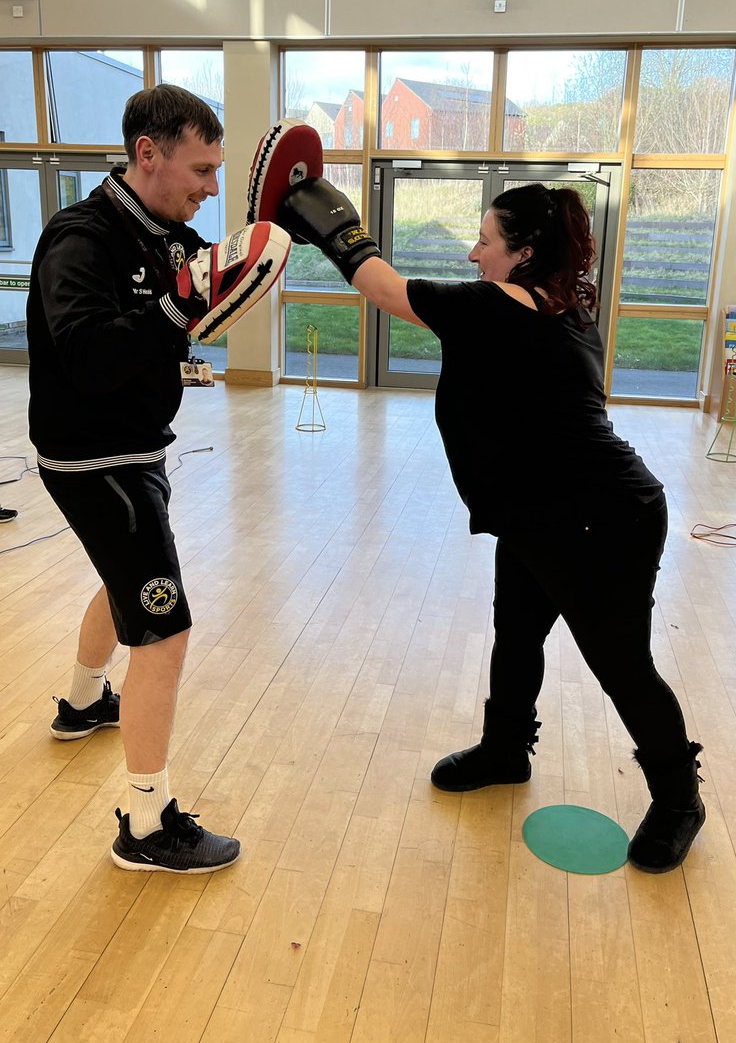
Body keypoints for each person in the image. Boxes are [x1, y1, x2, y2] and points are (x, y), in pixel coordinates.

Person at [274, 173, 705, 875]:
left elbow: (383, 288)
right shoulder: (553, 304)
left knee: (622, 665)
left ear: (525, 252)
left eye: (484, 240)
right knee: (517, 632)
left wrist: (328, 217)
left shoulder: (499, 308)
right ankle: (506, 748)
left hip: (601, 519)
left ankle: (680, 799)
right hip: (539, 513)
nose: (474, 255)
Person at [27, 84, 288, 873]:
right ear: (149, 154)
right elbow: (89, 356)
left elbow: (207, 287)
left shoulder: (169, 233)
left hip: (134, 447)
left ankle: (80, 704)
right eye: (202, 168)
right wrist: (176, 314)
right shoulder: (81, 239)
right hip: (95, 459)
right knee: (164, 632)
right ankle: (144, 828)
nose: (210, 186)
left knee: (123, 579)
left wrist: (282, 234)